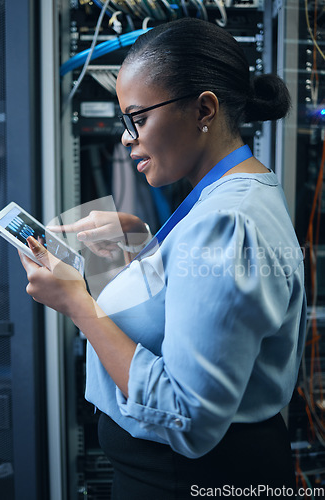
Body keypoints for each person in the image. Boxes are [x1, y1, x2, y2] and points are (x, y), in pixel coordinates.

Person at [19, 17, 307, 499]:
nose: (127, 138)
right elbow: (192, 306)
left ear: (203, 109)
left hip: (187, 481)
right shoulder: (234, 194)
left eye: (138, 118)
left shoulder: (225, 224)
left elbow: (187, 417)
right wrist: (143, 245)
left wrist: (78, 306)